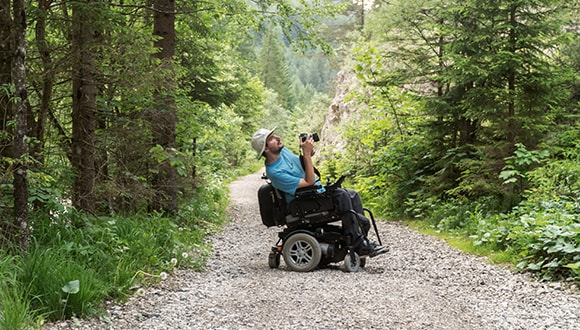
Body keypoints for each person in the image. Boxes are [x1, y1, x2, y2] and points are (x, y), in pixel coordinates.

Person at [251, 127, 388, 257]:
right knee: (341, 196)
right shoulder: (274, 172)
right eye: (271, 138)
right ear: (266, 149)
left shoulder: (282, 152)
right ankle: (357, 245)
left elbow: (303, 167)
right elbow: (309, 182)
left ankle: (361, 240)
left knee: (352, 194)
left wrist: (308, 153)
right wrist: (306, 154)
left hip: (313, 193)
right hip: (301, 202)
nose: (277, 137)